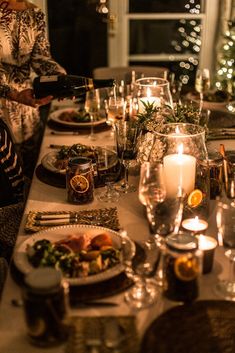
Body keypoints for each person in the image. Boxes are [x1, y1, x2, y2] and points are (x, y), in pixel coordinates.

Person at [0, 0, 66, 177]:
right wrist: (12, 94)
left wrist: (60, 79)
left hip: (27, 109)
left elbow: (41, 58)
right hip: (3, 113)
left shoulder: (34, 13)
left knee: (32, 174)